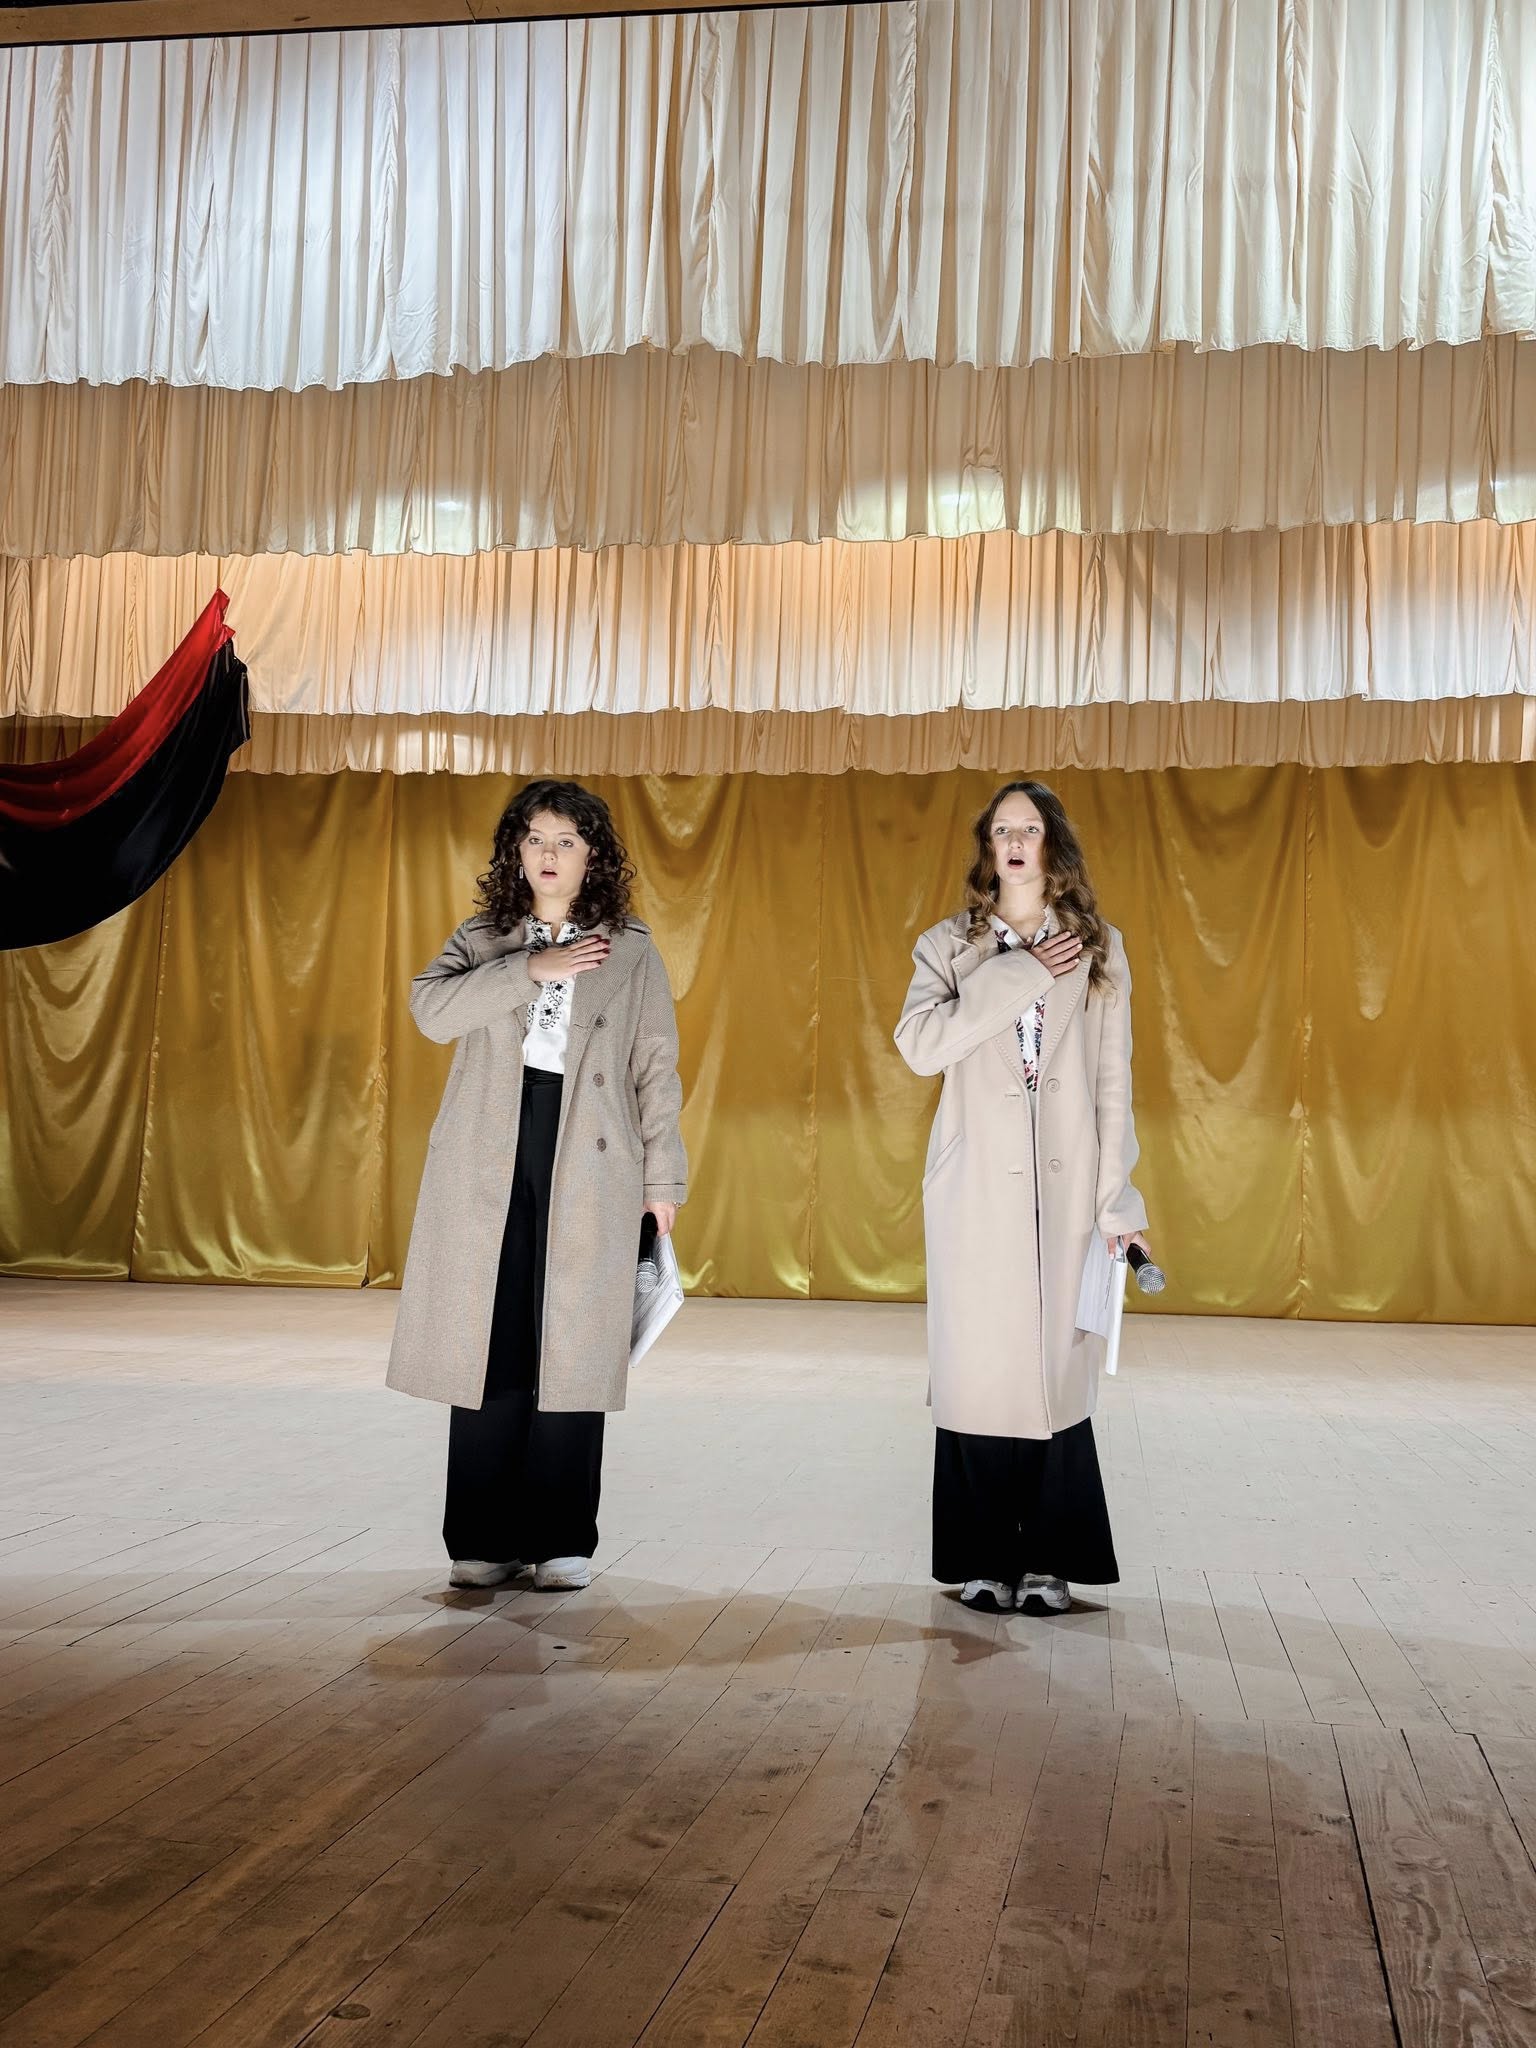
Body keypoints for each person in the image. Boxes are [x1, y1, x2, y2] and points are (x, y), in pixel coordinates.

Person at [386, 779, 687, 1592]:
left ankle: (561, 1540)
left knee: (575, 1343)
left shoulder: (632, 948)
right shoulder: (483, 937)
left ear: (593, 857)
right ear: (515, 852)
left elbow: (655, 1067)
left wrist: (662, 1178)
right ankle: (481, 1539)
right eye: (535, 839)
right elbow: (430, 1012)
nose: (548, 855)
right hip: (488, 1152)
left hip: (593, 1153)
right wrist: (532, 968)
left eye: (566, 841)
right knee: (489, 1336)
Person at [894, 779, 1150, 1614]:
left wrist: (1118, 1204)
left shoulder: (1099, 947)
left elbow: (1112, 1083)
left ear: (1052, 844)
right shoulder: (948, 946)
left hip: (1068, 1187)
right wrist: (1019, 974)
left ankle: (1049, 1561)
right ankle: (979, 1558)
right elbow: (921, 1047)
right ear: (986, 846)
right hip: (974, 1185)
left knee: (1053, 1376)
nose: (1013, 842)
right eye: (1001, 829)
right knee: (978, 1375)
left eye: (1028, 829)